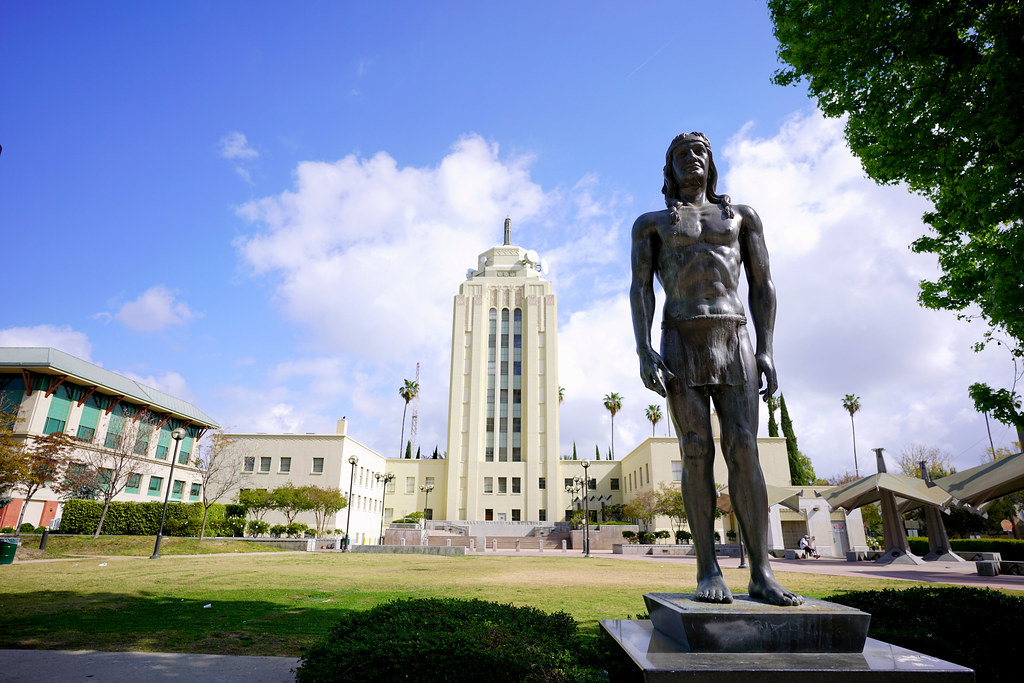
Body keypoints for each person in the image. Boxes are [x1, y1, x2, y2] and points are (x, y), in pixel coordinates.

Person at [630, 132, 802, 606]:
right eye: (681, 154)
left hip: (734, 334)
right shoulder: (651, 224)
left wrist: (765, 349)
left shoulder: (741, 217)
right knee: (696, 449)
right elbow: (640, 288)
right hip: (680, 336)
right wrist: (643, 348)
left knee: (744, 448)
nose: (691, 159)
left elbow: (763, 284)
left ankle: (762, 573)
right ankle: (708, 568)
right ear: (670, 169)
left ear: (712, 163)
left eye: (699, 152)